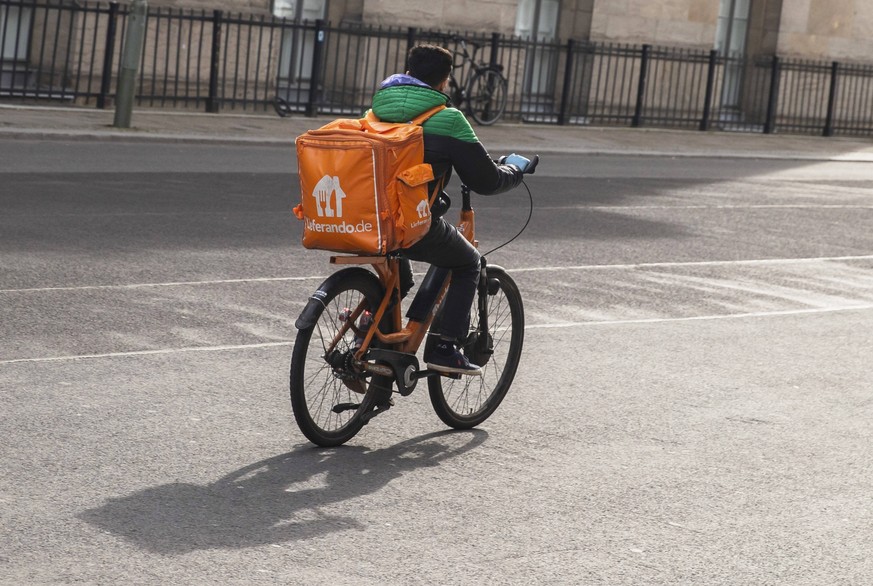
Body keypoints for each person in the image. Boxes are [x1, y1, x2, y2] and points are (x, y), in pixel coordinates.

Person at [369, 44, 536, 375]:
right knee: (468, 262)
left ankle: (372, 334)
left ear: (409, 72)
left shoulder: (375, 111)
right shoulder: (447, 118)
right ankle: (444, 347)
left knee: (397, 274)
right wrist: (515, 171)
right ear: (445, 81)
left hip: (365, 218)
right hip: (408, 223)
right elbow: (486, 180)